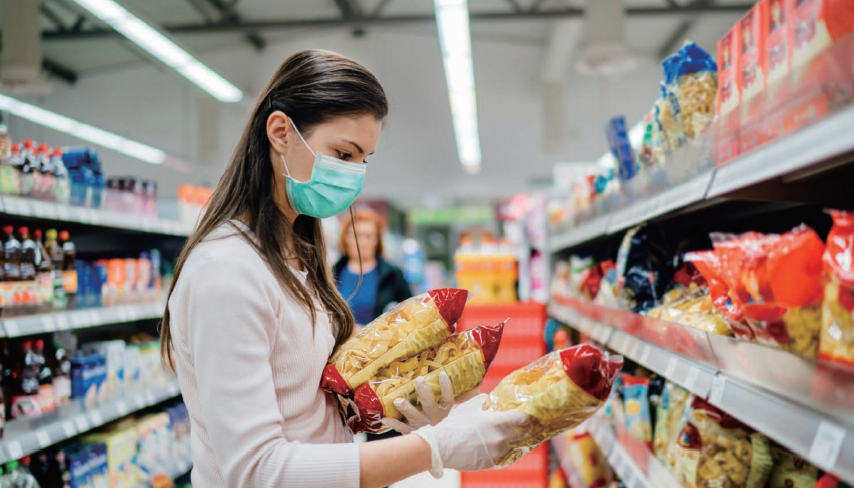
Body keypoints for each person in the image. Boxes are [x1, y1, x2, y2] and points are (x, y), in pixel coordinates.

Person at [160, 49, 527, 488]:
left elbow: (304, 409)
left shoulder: (297, 256)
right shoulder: (226, 271)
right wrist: (433, 449)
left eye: (363, 160)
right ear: (280, 132)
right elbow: (256, 471)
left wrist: (385, 408)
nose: (354, 176)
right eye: (343, 153)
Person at [333, 208, 412, 328]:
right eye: (356, 236)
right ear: (345, 238)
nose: (362, 242)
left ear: (377, 240)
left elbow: (410, 315)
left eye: (368, 236)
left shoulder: (393, 275)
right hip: (341, 339)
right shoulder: (331, 273)